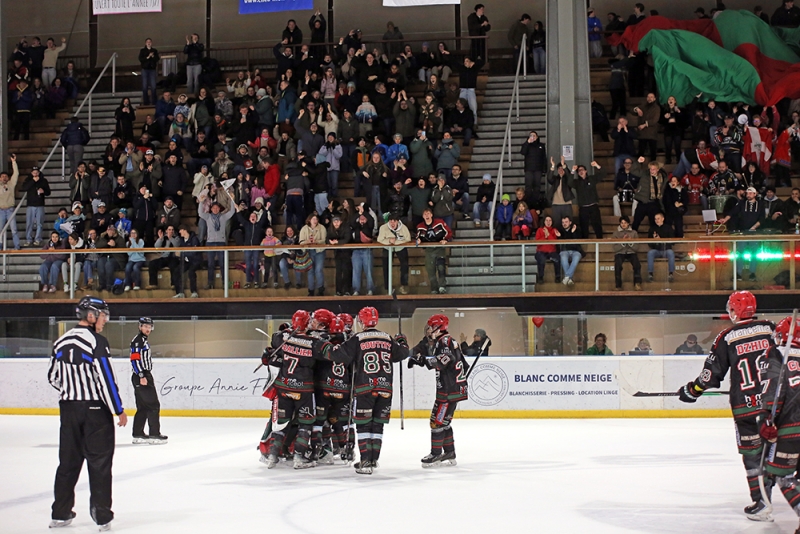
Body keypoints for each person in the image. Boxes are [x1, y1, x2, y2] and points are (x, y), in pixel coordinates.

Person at [678, 291, 776, 520]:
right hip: (775, 405)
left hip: (746, 408)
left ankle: (762, 502)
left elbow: (710, 375)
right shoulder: (771, 329)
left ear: (734, 311)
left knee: (753, 454)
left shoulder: (727, 337)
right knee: (781, 451)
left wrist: (692, 391)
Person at [47, 296, 127, 530]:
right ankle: (102, 516)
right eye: (102, 315)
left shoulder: (61, 341)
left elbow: (52, 377)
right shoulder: (96, 341)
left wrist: (71, 392)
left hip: (69, 409)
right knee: (100, 464)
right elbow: (106, 379)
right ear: (91, 316)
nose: (104, 320)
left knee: (67, 463)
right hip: (95, 412)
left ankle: (60, 513)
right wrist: (118, 409)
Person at [322, 307, 410, 474]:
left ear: (362, 322)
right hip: (385, 388)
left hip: (365, 388)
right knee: (377, 425)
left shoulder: (358, 338)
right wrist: (402, 341)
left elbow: (339, 355)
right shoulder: (387, 338)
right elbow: (402, 354)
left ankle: (365, 461)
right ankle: (373, 460)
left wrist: (325, 345)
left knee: (363, 425)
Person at [263, 310, 330, 470]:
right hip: (304, 390)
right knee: (306, 424)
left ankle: (272, 456)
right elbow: (326, 351)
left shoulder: (283, 338)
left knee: (281, 423)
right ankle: (299, 457)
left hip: (284, 387)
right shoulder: (313, 342)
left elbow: (275, 339)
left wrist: (286, 330)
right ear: (307, 323)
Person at [759, 316, 800, 530]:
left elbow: (775, 390)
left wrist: (767, 418)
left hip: (792, 429)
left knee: (781, 477)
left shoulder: (776, 354)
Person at [130, 317, 166, 444]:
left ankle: (138, 433)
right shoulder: (138, 341)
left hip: (142, 375)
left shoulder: (143, 340)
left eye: (149, 326)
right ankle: (154, 434)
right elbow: (134, 359)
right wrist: (141, 375)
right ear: (140, 327)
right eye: (145, 326)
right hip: (142, 375)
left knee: (143, 406)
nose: (148, 329)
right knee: (153, 405)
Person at [197, 195, 235, 290]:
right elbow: (200, 213)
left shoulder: (223, 217)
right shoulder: (208, 217)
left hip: (221, 242)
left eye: (217, 208)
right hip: (210, 242)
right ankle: (210, 283)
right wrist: (201, 202)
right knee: (210, 264)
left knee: (222, 263)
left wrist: (232, 200)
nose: (215, 209)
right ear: (211, 209)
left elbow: (232, 212)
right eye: (213, 208)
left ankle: (224, 282)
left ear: (219, 209)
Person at [416, 208, 452, 294]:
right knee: (430, 269)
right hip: (429, 250)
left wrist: (445, 239)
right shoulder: (420, 226)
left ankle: (442, 286)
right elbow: (417, 237)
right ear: (423, 216)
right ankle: (434, 288)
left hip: (439, 248)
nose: (427, 215)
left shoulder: (439, 222)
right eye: (425, 214)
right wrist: (418, 240)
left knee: (441, 267)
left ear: (431, 215)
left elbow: (449, 232)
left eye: (428, 213)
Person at [378, 215, 411, 295]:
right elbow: (379, 239)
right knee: (386, 267)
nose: (392, 223)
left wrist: (396, 242)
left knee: (404, 266)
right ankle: (387, 288)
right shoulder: (383, 228)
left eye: (394, 221)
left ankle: (404, 285)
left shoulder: (403, 228)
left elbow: (408, 238)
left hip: (401, 248)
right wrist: (389, 241)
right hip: (387, 248)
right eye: (390, 221)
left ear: (397, 221)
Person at [570, 161, 604, 239]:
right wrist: (572, 171)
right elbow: (569, 182)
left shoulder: (592, 179)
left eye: (582, 170)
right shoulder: (577, 182)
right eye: (579, 171)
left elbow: (603, 174)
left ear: (586, 171)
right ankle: (585, 242)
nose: (581, 171)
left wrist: (597, 165)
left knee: (597, 225)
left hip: (593, 206)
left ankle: (600, 241)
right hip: (583, 208)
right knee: (584, 227)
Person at [299, 213, 327, 297]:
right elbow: (301, 241)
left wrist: (316, 241)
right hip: (309, 251)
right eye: (313, 219)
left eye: (316, 219)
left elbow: (323, 240)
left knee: (318, 270)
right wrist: (307, 242)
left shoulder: (322, 227)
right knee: (310, 271)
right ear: (309, 220)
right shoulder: (304, 229)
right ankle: (311, 290)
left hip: (319, 251)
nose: (315, 221)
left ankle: (320, 289)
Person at [23, 166, 51, 246]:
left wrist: (43, 191)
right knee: (29, 223)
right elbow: (24, 187)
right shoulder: (28, 180)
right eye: (34, 172)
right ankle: (29, 239)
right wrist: (32, 181)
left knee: (39, 223)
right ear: (31, 173)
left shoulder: (43, 181)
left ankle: (38, 238)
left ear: (39, 172)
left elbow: (48, 192)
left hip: (40, 205)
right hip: (30, 205)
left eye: (36, 172)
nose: (35, 173)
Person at [612, 216, 642, 290]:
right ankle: (618, 285)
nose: (623, 225)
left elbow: (636, 248)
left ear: (628, 223)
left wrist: (630, 242)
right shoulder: (615, 233)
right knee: (617, 265)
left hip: (631, 252)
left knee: (637, 264)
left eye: (625, 223)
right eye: (622, 223)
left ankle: (637, 283)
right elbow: (615, 248)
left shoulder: (634, 233)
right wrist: (623, 242)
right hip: (620, 253)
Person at [646, 212, 675, 283]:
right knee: (650, 253)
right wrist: (655, 241)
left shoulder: (668, 228)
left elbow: (673, 241)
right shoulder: (652, 229)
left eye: (658, 218)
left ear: (663, 219)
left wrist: (661, 240)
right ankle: (650, 274)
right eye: (655, 219)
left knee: (671, 253)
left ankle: (671, 274)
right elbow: (649, 243)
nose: (656, 220)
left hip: (666, 250)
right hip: (656, 250)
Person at [521, 131, 547, 208]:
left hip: (538, 169)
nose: (533, 137)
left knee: (537, 187)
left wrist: (544, 168)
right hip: (529, 169)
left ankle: (535, 203)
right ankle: (528, 203)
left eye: (534, 135)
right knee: (528, 187)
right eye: (531, 135)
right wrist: (527, 142)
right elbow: (523, 152)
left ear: (537, 137)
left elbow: (544, 158)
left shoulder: (541, 146)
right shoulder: (527, 145)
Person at [0, 155, 21, 250]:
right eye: (2, 177)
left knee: (14, 229)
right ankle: (0, 246)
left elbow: (16, 174)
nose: (4, 178)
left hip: (10, 210)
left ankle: (17, 246)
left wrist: (14, 162)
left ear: (8, 178)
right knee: (0, 230)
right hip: (1, 210)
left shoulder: (11, 184)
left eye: (5, 176)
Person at [547, 156, 574, 224]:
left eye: (562, 168)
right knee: (557, 224)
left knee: (568, 223)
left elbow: (569, 175)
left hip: (567, 204)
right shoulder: (555, 178)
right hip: (556, 204)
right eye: (559, 168)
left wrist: (564, 165)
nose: (560, 170)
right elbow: (549, 178)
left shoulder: (568, 178)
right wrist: (553, 166)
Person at [534, 215, 561, 283]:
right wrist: (545, 237)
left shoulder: (554, 230)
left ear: (552, 222)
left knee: (557, 258)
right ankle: (540, 277)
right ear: (544, 222)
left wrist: (548, 235)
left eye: (550, 220)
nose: (548, 222)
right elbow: (537, 243)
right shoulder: (539, 230)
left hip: (551, 251)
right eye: (547, 220)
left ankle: (558, 277)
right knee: (541, 259)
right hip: (541, 251)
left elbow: (554, 243)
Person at [559, 215, 582, 286]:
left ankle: (567, 277)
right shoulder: (560, 230)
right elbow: (561, 243)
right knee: (563, 259)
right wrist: (559, 236)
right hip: (565, 251)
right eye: (563, 222)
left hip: (576, 251)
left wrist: (573, 232)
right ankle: (570, 278)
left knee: (576, 260)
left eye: (566, 222)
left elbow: (578, 241)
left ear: (570, 222)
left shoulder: (577, 229)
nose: (564, 224)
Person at [138, 39, 160, 106]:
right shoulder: (142, 51)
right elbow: (140, 59)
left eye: (150, 42)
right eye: (147, 42)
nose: (149, 43)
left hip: (152, 70)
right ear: (145, 43)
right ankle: (146, 103)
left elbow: (157, 59)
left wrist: (152, 56)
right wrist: (148, 57)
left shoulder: (155, 51)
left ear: (151, 43)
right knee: (145, 87)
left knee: (153, 86)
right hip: (145, 69)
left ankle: (154, 102)